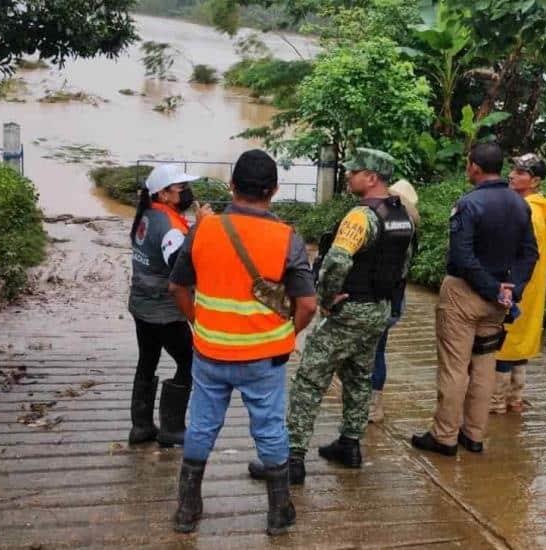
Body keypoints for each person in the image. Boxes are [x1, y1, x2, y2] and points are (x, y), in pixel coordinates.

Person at [168, 150, 317, 536]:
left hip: (210, 351)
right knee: (269, 429)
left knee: (201, 425)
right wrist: (288, 334)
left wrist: (199, 323)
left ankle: (187, 508)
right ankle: (278, 511)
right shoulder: (287, 238)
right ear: (275, 191)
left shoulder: (204, 229)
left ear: (232, 185)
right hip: (264, 357)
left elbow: (178, 288)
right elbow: (308, 304)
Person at [269, 148, 414, 483]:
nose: (347, 176)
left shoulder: (360, 217)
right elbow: (404, 265)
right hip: (379, 309)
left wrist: (326, 298)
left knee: (310, 377)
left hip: (348, 310)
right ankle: (350, 444)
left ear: (372, 177)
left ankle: (293, 457)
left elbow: (336, 260)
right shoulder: (400, 215)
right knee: (360, 375)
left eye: (353, 172)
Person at [412, 143, 538, 456]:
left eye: (469, 164)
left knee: (454, 367)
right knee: (484, 366)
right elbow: (530, 253)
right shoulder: (521, 205)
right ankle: (474, 435)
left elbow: (463, 256)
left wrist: (490, 288)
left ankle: (444, 437)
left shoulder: (469, 204)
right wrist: (511, 288)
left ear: (475, 167)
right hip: (498, 300)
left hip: (464, 295)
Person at [128, 163, 212, 447]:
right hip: (164, 310)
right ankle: (172, 428)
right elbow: (178, 267)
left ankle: (141, 427)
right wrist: (199, 227)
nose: (187, 192)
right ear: (163, 194)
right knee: (189, 362)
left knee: (147, 360)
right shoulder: (170, 226)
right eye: (181, 188)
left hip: (141, 304)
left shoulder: (148, 215)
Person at [491, 154, 546, 414]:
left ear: (535, 180)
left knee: (504, 345)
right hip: (531, 291)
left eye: (520, 172)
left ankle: (496, 401)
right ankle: (514, 398)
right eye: (513, 169)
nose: (512, 174)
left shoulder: (529, 212)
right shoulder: (540, 209)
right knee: (519, 344)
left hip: (517, 288)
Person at [368, 179, 420, 423]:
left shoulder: (385, 223)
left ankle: (366, 405)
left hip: (375, 298)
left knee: (369, 352)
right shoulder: (409, 228)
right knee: (379, 350)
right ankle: (374, 404)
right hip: (395, 298)